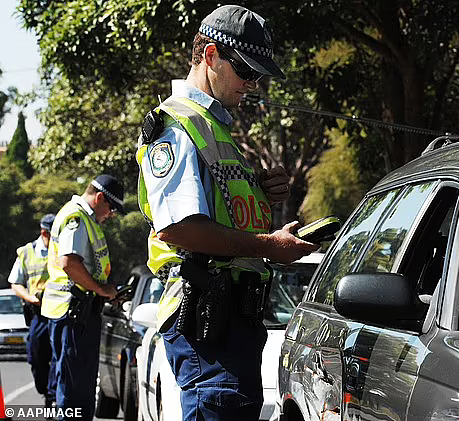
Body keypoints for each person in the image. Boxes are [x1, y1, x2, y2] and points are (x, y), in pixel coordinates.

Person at [136, 4, 319, 420]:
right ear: (211, 56)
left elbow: (218, 210)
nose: (252, 84)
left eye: (258, 75)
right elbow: (181, 228)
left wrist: (260, 193)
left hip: (231, 320)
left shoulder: (214, 126)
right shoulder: (176, 126)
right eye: (246, 71)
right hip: (207, 319)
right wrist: (269, 245)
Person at [40, 174, 123, 420]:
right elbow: (69, 263)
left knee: (78, 386)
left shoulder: (85, 218)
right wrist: (101, 290)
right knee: (73, 392)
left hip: (78, 313)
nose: (111, 215)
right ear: (99, 198)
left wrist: (106, 291)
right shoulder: (76, 217)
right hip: (73, 313)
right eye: (112, 209)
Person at [9, 213, 57, 407]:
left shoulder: (63, 250)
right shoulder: (27, 252)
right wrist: (30, 298)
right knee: (36, 356)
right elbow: (15, 283)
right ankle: (44, 389)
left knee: (58, 356)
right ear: (44, 232)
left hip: (58, 311)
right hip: (37, 313)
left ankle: (53, 398)